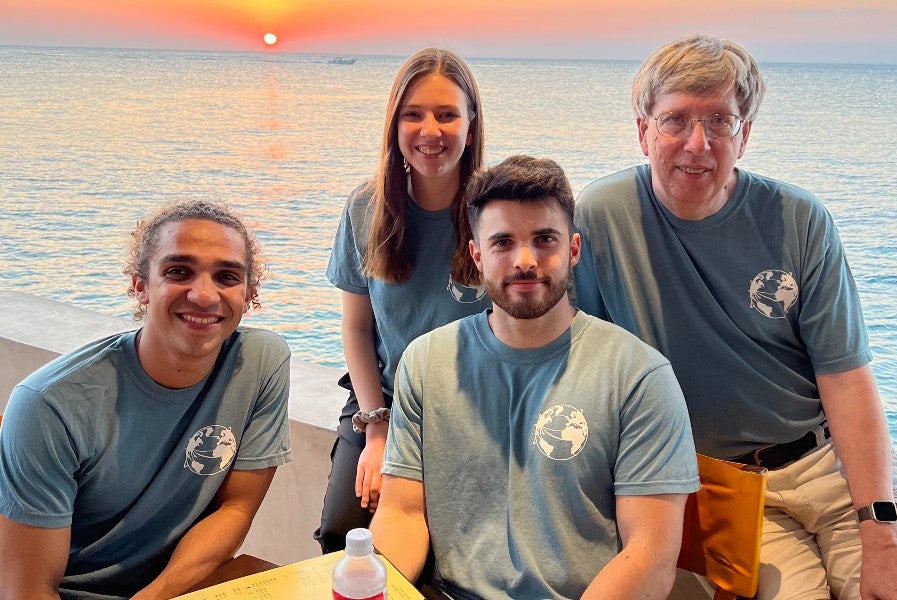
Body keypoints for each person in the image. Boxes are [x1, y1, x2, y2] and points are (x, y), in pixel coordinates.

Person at [573, 34, 897, 600]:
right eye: (675, 120)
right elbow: (576, 360)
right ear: (643, 131)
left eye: (720, 121)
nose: (697, 145)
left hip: (829, 465)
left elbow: (846, 379)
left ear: (744, 135)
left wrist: (882, 533)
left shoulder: (800, 221)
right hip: (727, 486)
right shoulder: (601, 219)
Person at [371, 155, 699, 599]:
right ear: (477, 256)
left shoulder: (639, 377)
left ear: (574, 250)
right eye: (502, 243)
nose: (524, 260)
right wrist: (373, 584)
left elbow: (649, 560)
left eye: (544, 239)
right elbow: (403, 514)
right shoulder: (426, 363)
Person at [0, 200, 292, 599]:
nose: (205, 295)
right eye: (178, 272)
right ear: (141, 286)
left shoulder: (261, 361)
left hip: (175, 585)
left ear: (249, 295)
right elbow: (29, 590)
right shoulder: (49, 405)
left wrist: (153, 596)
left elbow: (235, 507)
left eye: (226, 276)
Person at [315, 47, 491, 553]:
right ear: (394, 124)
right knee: (342, 534)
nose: (429, 131)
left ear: (471, 126)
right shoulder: (367, 206)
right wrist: (376, 429)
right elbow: (357, 329)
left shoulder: (497, 209)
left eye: (447, 114)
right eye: (413, 114)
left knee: (450, 549)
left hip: (478, 408)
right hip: (385, 402)